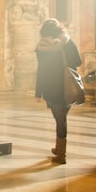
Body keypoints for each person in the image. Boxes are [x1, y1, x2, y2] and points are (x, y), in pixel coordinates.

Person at [34, 18, 82, 164]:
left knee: (60, 120)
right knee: (61, 118)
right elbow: (78, 62)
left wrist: (38, 92)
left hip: (51, 87)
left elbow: (41, 70)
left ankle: (61, 154)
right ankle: (58, 147)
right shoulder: (67, 42)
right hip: (66, 86)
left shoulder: (42, 46)